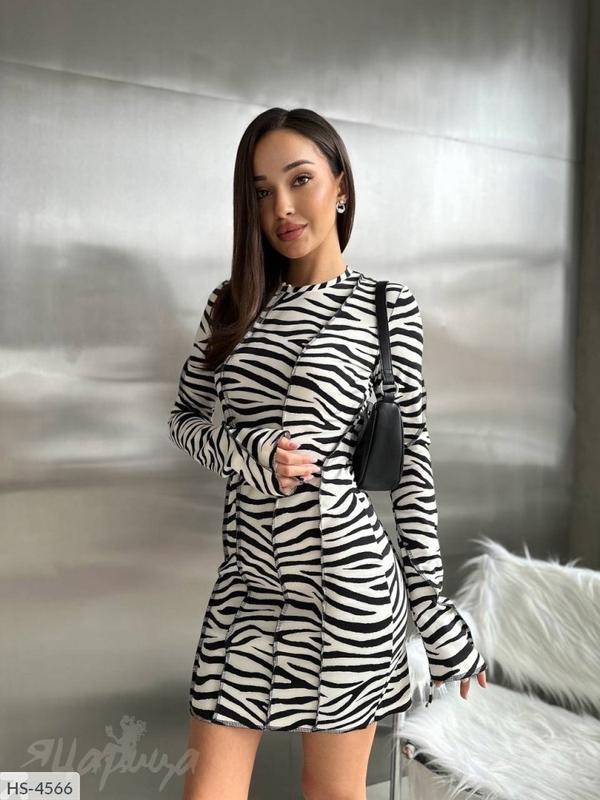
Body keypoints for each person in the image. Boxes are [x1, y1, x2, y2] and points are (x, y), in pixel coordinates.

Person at [167, 107, 487, 800]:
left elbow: (413, 464)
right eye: (261, 191)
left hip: (350, 592)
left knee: (333, 795)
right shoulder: (231, 304)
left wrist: (434, 613)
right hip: (247, 588)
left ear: (340, 185)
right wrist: (252, 452)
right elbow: (185, 420)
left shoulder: (386, 307)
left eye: (300, 180)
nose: (281, 207)